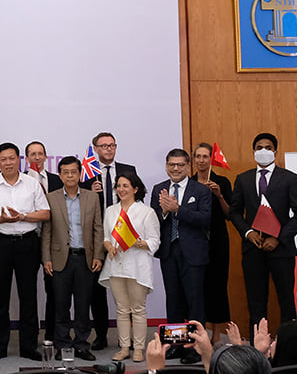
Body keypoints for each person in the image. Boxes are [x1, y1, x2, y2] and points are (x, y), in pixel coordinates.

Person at [0, 142, 50, 362]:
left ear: (19, 159)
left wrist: (23, 216)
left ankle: (29, 346)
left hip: (27, 243)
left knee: (28, 296)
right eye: (3, 159)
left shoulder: (32, 183)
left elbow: (45, 213)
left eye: (12, 158)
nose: (8, 163)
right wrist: (1, 219)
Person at [229, 132, 297, 330]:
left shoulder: (290, 178)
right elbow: (235, 212)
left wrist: (278, 238)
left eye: (268, 148)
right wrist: (248, 232)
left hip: (282, 250)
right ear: (253, 152)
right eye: (259, 148)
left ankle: (289, 345)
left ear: (275, 152)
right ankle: (257, 345)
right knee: (255, 302)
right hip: (252, 250)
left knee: (286, 301)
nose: (263, 151)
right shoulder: (243, 179)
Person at [151, 148, 211, 364]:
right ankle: (176, 345)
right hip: (169, 252)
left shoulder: (201, 190)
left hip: (193, 253)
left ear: (188, 166)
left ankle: (195, 348)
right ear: (166, 166)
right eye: (171, 165)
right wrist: (164, 211)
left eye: (180, 165)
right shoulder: (159, 189)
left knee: (195, 302)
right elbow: (153, 220)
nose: (175, 168)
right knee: (173, 300)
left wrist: (177, 209)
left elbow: (205, 219)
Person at [42, 156, 103, 362]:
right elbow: (47, 231)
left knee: (83, 305)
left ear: (79, 174)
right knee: (61, 305)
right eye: (66, 172)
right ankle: (62, 345)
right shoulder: (51, 198)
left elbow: (98, 228)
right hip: (60, 259)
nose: (70, 176)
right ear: (60, 175)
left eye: (73, 172)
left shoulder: (91, 197)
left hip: (85, 258)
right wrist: (46, 258)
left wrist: (98, 255)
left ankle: (82, 345)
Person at [81, 132, 136, 350]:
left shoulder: (128, 170)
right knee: (97, 291)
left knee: (126, 288)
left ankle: (129, 336)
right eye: (103, 146)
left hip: (122, 236)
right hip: (97, 238)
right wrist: (89, 190)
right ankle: (101, 335)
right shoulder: (87, 174)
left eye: (112, 145)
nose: (108, 149)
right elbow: (78, 201)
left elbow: (137, 198)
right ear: (95, 149)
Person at [98, 172, 160, 363]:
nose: (121, 189)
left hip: (137, 266)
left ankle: (139, 348)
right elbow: (106, 237)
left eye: (125, 186)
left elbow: (155, 241)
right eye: (118, 186)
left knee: (138, 309)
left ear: (135, 189)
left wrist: (137, 242)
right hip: (116, 265)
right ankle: (124, 347)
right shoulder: (111, 211)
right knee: (122, 309)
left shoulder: (146, 212)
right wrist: (109, 247)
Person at [192, 143, 233, 341]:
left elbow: (229, 214)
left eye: (205, 156)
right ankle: (197, 334)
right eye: (198, 156)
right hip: (194, 241)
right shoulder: (189, 183)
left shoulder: (222, 182)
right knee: (195, 288)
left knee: (217, 287)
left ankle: (216, 335)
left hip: (217, 242)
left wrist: (219, 195)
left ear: (211, 158)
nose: (201, 160)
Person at [26, 140, 62, 344]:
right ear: (27, 158)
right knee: (28, 289)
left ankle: (52, 335)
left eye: (40, 153)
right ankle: (30, 337)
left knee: (54, 290)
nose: (37, 157)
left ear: (46, 157)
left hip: (53, 240)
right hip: (30, 238)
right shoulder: (21, 180)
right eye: (33, 154)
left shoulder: (57, 180)